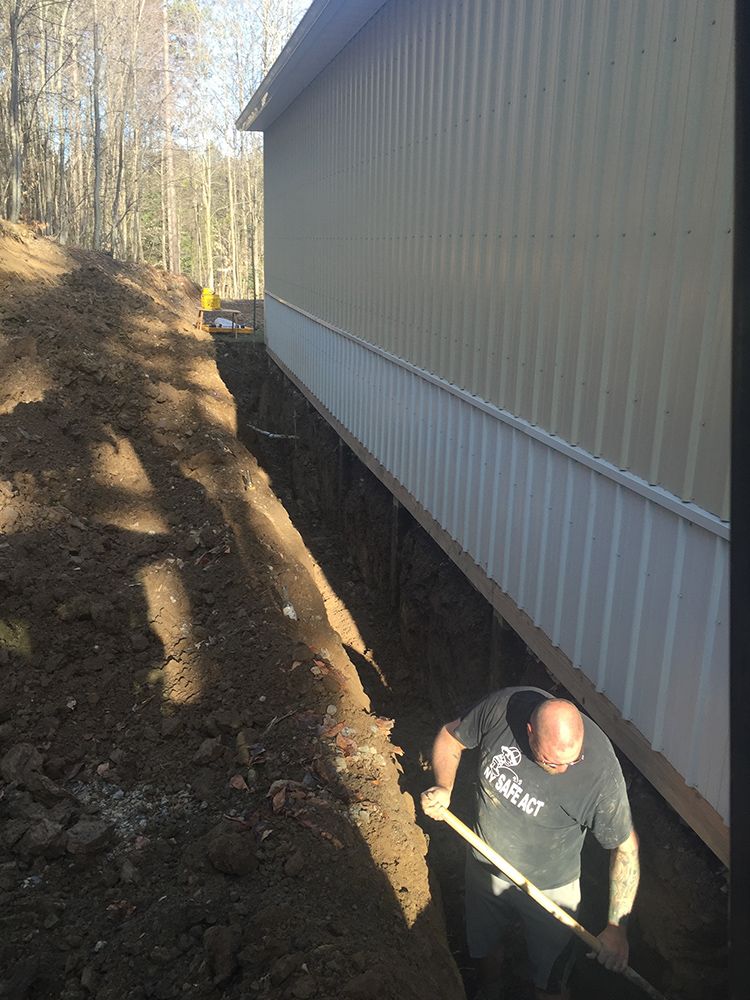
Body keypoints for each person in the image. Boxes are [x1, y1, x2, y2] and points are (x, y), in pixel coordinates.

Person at [421, 687, 639, 1000]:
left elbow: (625, 847)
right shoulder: (503, 709)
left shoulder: (600, 774)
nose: (562, 770)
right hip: (486, 863)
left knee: (550, 978)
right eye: (551, 762)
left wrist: (617, 927)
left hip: (552, 890)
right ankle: (490, 991)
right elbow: (450, 736)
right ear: (529, 731)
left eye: (572, 761)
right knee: (484, 949)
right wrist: (443, 787)